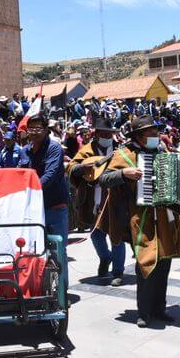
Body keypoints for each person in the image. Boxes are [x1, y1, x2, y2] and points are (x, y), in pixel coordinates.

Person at [99, 115, 180, 328]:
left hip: (165, 216)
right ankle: (143, 312)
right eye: (151, 133)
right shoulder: (124, 154)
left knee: (164, 261)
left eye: (156, 131)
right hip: (141, 216)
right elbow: (104, 179)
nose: (156, 135)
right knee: (145, 263)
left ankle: (159, 308)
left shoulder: (163, 153)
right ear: (139, 136)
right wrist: (124, 173)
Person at [67, 118, 125, 285]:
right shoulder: (87, 150)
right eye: (103, 133)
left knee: (117, 236)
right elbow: (71, 167)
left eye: (110, 133)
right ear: (96, 133)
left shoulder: (119, 150)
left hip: (114, 198)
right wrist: (81, 169)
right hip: (93, 199)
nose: (107, 136)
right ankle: (105, 258)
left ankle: (118, 271)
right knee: (96, 235)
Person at [20, 114, 70, 247]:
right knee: (35, 250)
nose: (34, 132)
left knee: (58, 251)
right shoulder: (24, 151)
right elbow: (20, 175)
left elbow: (50, 175)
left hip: (55, 207)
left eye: (38, 128)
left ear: (46, 130)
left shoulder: (54, 148)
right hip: (33, 209)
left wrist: (31, 190)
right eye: (31, 129)